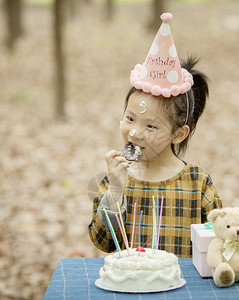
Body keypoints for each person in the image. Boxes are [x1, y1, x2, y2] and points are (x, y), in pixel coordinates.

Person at [88, 13, 222, 257]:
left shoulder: (198, 183)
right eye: (129, 119)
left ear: (179, 134)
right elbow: (102, 241)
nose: (135, 133)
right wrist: (116, 192)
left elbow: (217, 245)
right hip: (132, 289)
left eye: (151, 127)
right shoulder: (116, 179)